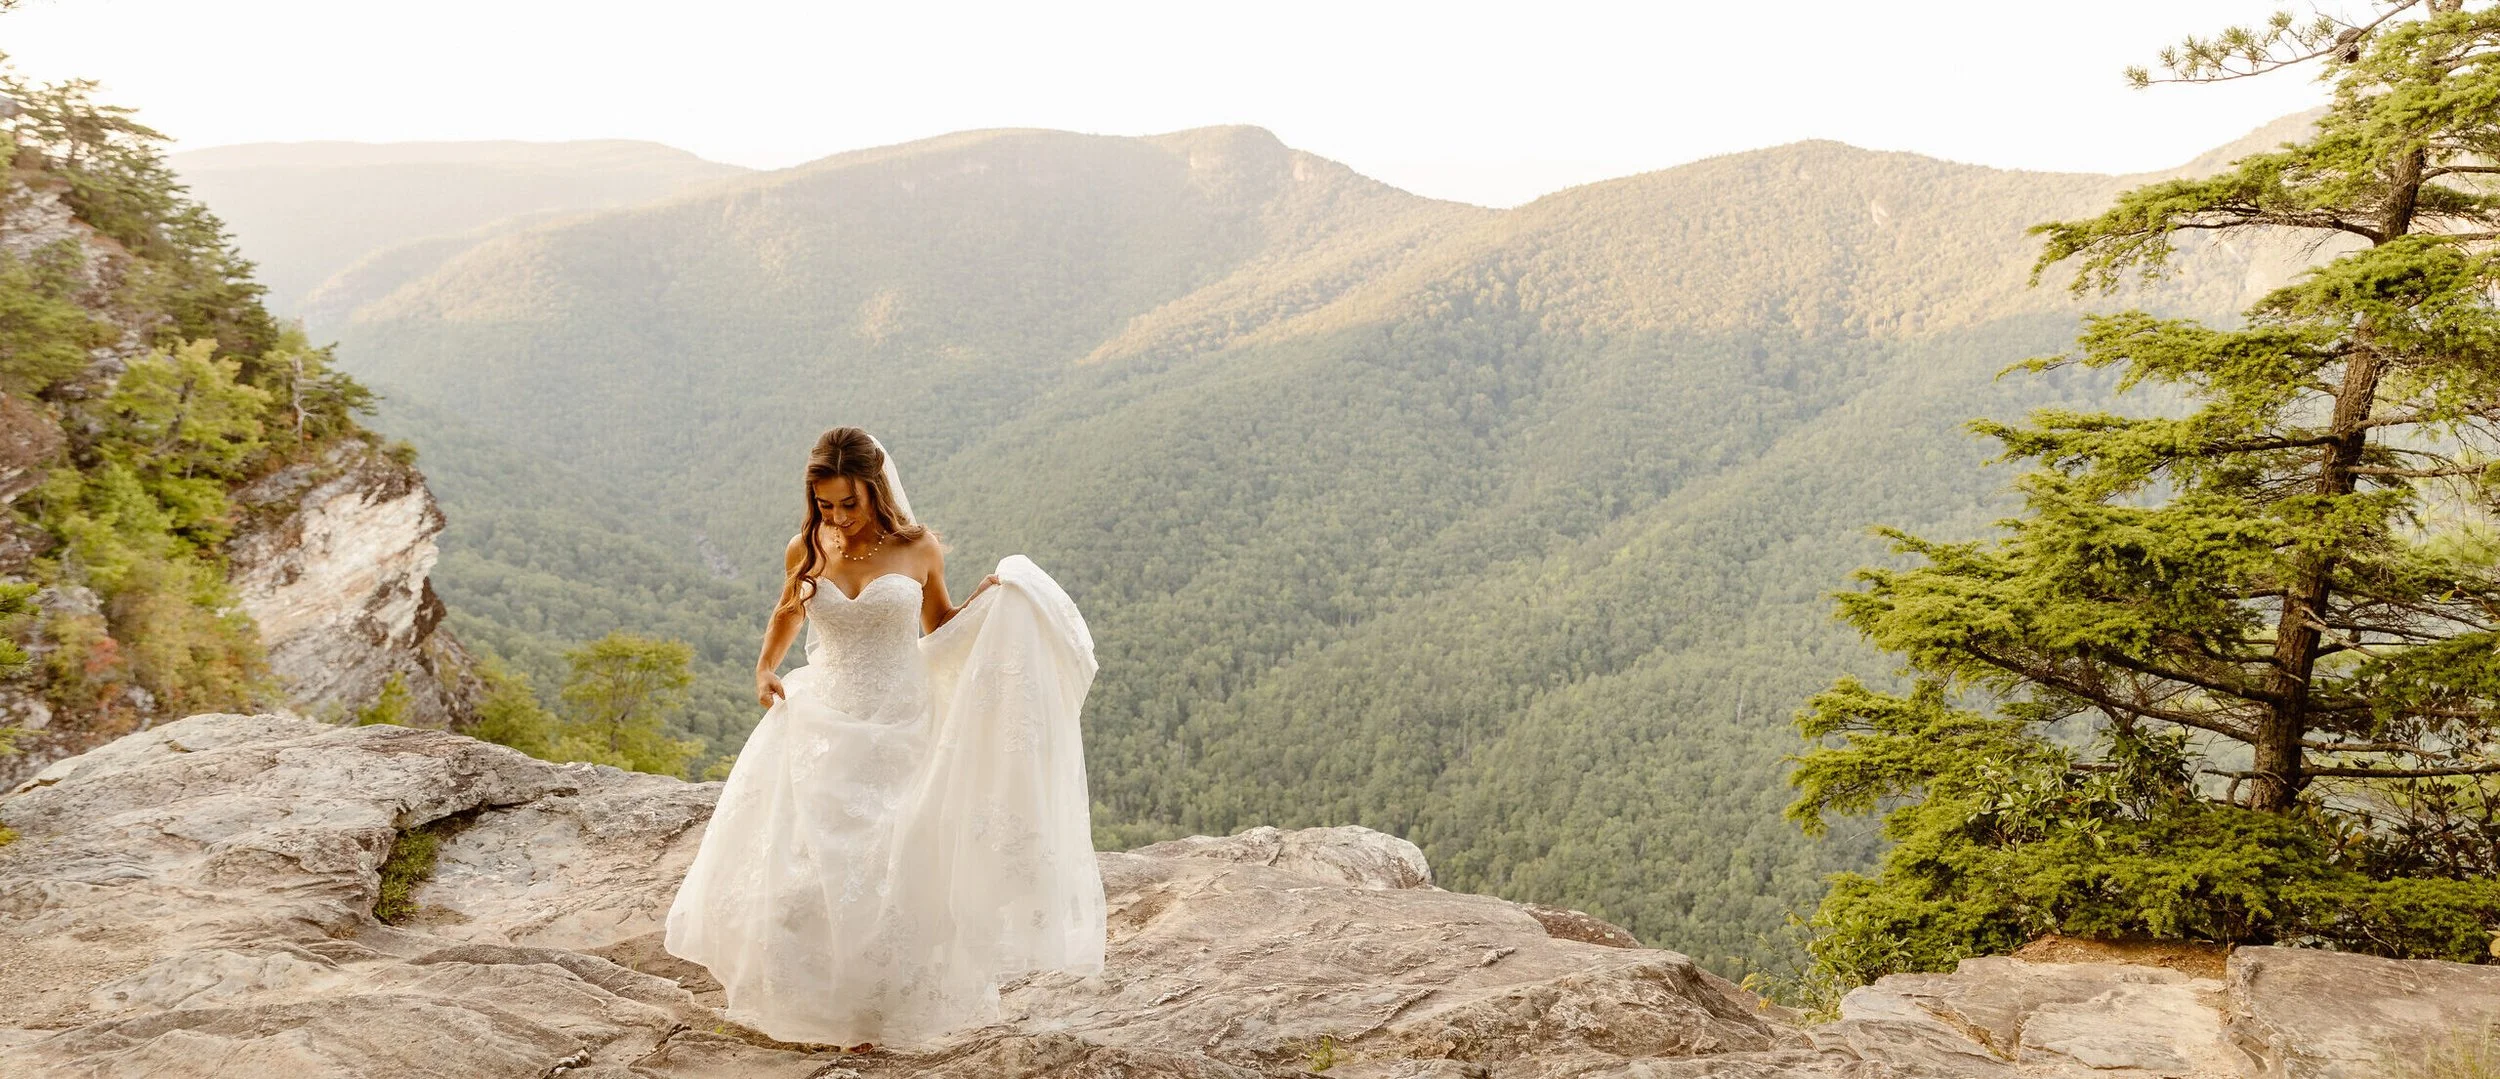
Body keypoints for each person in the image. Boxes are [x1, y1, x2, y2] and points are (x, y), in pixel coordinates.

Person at [664, 426, 1107, 1053]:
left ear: (876, 490)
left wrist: (987, 605)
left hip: (902, 718)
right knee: (817, 863)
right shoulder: (807, 546)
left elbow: (940, 625)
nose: (839, 516)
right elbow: (790, 606)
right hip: (825, 717)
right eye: (826, 504)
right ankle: (830, 1004)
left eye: (850, 502)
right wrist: (766, 666)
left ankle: (889, 1006)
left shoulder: (918, 548)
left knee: (896, 856)